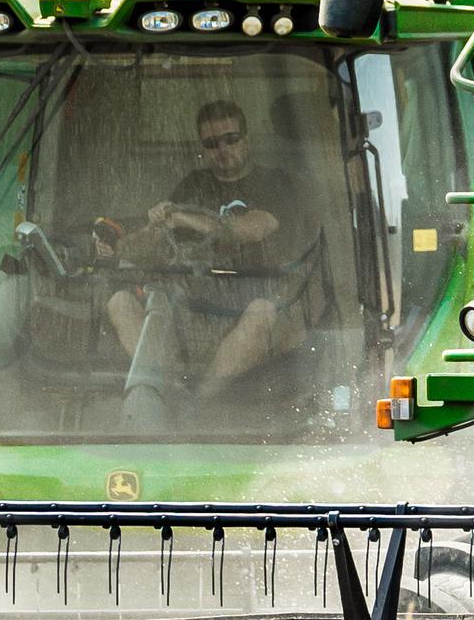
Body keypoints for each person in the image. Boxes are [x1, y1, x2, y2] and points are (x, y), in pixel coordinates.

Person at [98, 96, 320, 402]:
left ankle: (196, 405)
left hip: (255, 302)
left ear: (247, 140)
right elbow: (155, 242)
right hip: (192, 305)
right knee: (120, 302)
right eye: (212, 143)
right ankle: (167, 392)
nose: (222, 149)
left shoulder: (275, 182)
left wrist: (183, 218)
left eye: (230, 139)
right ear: (203, 149)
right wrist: (122, 245)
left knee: (262, 311)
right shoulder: (193, 184)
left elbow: (252, 229)